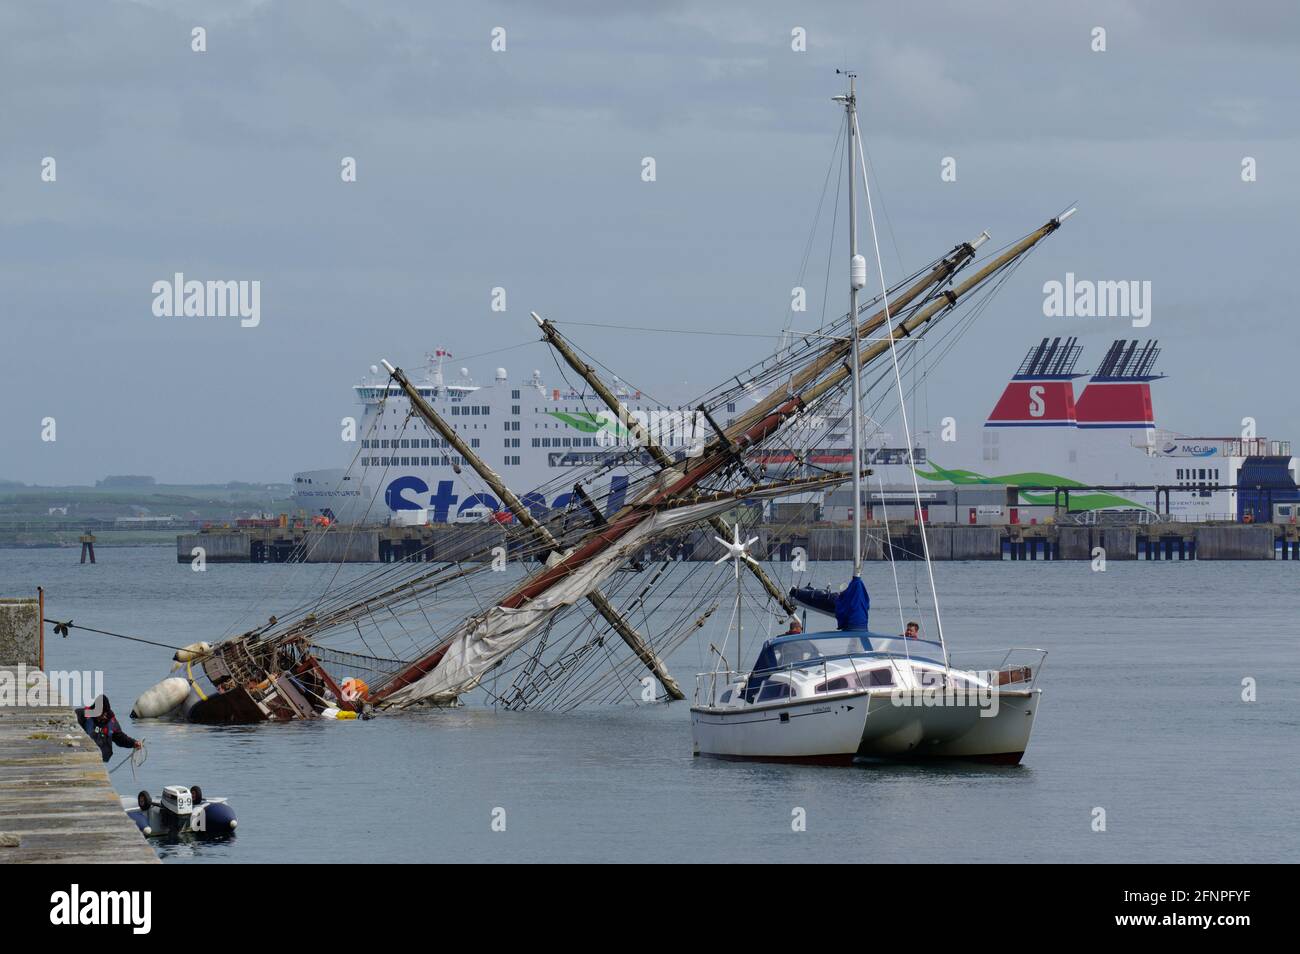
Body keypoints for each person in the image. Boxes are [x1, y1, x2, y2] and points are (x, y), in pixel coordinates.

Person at [75, 694, 141, 763]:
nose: (104, 716)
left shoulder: (111, 721)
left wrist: (133, 743)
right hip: (82, 757)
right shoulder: (81, 715)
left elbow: (120, 738)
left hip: (100, 761)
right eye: (101, 713)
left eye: (105, 713)